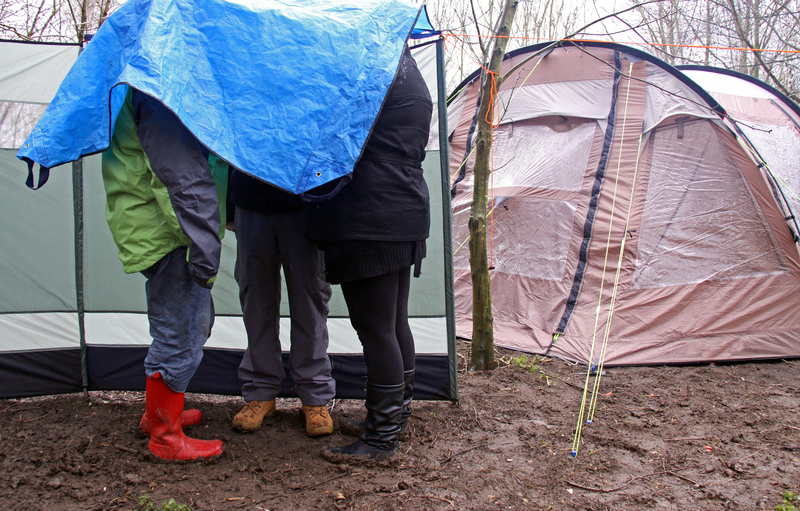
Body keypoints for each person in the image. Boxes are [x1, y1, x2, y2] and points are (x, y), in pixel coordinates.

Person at [308, 46, 433, 460]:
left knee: (377, 329)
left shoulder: (374, 72)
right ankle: (394, 416)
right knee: (394, 323)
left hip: (372, 214)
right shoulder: (409, 73)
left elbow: (336, 134)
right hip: (403, 206)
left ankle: (381, 439)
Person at [101, 88, 228, 461]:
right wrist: (202, 243)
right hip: (169, 231)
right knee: (180, 329)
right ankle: (165, 436)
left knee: (191, 322)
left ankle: (158, 413)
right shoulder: (158, 92)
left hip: (155, 224)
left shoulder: (146, 85)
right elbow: (179, 179)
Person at [228, 170, 335, 437]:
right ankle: (260, 392)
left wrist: (330, 205)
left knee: (310, 300)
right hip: (250, 198)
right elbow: (230, 141)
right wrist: (229, 206)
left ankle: (314, 396)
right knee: (255, 300)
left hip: (307, 201)